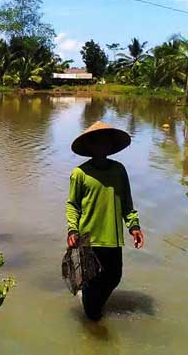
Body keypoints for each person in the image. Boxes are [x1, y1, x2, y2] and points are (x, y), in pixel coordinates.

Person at [65, 121, 144, 321]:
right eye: (96, 142)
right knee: (91, 285)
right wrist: (72, 230)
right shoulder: (79, 173)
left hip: (112, 237)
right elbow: (72, 205)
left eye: (105, 142)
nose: (101, 146)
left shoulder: (119, 171)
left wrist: (134, 226)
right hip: (87, 238)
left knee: (114, 276)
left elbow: (127, 202)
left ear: (110, 146)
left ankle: (91, 304)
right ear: (89, 146)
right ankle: (93, 320)